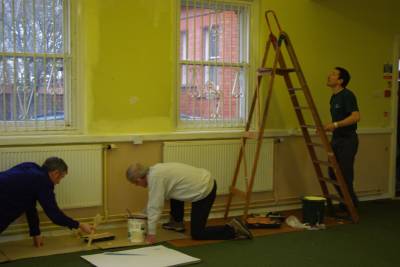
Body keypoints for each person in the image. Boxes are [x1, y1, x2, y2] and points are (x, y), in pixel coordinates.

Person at [126, 162, 253, 244]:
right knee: (171, 192)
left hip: (204, 191)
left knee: (197, 233)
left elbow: (155, 206)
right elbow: (154, 199)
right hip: (202, 180)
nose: (137, 186)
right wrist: (141, 215)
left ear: (139, 178)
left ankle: (234, 229)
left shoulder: (156, 179)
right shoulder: (155, 171)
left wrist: (152, 233)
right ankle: (177, 223)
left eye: (136, 183)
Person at [0, 157, 93, 247]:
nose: (58, 182)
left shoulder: (30, 166)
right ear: (56, 173)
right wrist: (79, 225)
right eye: (61, 177)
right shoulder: (43, 182)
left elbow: (29, 205)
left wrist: (36, 233)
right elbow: (55, 215)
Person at [324, 67, 360, 212]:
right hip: (337, 139)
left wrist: (336, 124)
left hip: (348, 140)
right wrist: (329, 126)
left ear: (340, 81)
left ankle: (351, 203)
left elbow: (356, 117)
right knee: (333, 173)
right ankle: (348, 200)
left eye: (333, 74)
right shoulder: (333, 97)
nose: (329, 75)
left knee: (345, 173)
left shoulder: (347, 95)